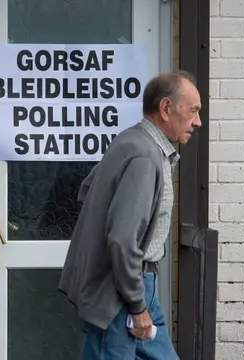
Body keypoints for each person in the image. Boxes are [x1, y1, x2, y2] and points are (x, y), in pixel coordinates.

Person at [58, 70, 202, 360]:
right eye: (193, 111)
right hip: (121, 294)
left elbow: (88, 193)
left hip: (136, 286)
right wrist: (136, 305)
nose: (198, 122)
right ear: (165, 108)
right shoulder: (144, 157)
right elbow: (123, 239)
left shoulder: (130, 141)